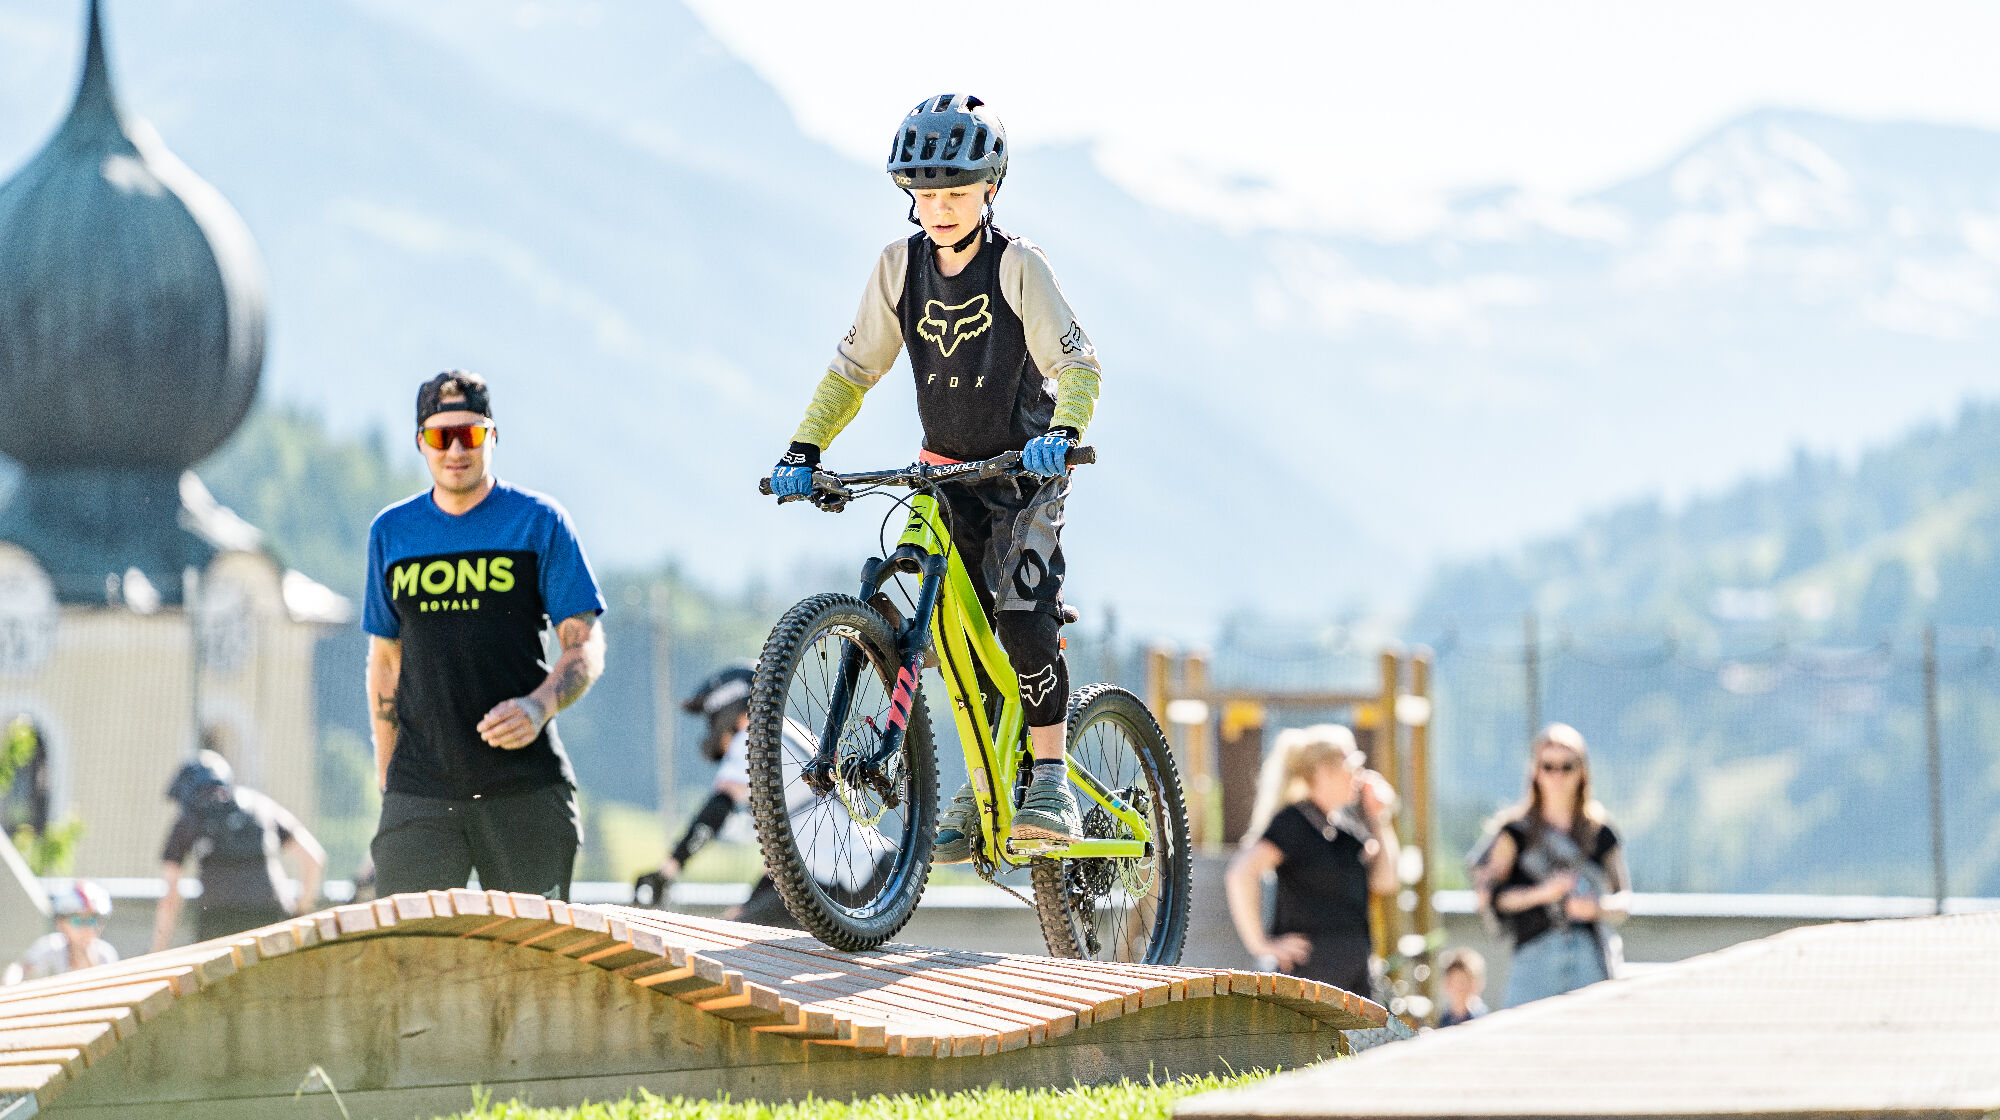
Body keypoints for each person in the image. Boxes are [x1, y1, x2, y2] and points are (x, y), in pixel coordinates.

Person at [768, 93, 1104, 854]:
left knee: (1019, 619)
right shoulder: (898, 267)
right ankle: (982, 783)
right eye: (925, 193)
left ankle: (1049, 780)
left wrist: (1063, 433)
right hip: (943, 476)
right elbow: (853, 371)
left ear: (991, 189)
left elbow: (1078, 363)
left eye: (956, 191)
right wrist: (803, 449)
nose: (940, 207)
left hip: (1025, 475)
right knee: (951, 630)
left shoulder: (1018, 265)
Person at [364, 370, 607, 901]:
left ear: (491, 437)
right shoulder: (391, 533)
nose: (456, 450)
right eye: (440, 436)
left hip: (524, 789)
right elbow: (385, 660)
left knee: (535, 968)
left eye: (469, 434)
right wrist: (390, 779)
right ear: (421, 444)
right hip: (419, 794)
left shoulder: (539, 521)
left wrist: (540, 706)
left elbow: (584, 645)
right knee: (409, 966)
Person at [635, 665, 892, 925]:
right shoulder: (788, 732)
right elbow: (777, 865)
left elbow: (717, 808)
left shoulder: (750, 739)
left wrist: (668, 869)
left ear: (728, 711)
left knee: (736, 942)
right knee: (743, 927)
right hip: (872, 867)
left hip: (839, 879)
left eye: (711, 719)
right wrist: (743, 908)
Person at [1224, 725, 1399, 998]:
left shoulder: (1344, 830)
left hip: (1353, 984)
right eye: (1351, 765)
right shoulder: (1293, 822)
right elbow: (1240, 873)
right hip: (1308, 988)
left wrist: (1379, 817)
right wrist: (1261, 945)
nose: (1359, 775)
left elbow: (1386, 880)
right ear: (1323, 771)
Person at [1481, 722, 1630, 1007]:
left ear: (1582, 771)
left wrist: (1595, 908)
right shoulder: (1515, 831)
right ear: (1535, 772)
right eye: (1548, 766)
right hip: (1534, 955)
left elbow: (1624, 899)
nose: (1557, 775)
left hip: (1589, 955)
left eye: (1567, 766)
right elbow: (1495, 897)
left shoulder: (1601, 831)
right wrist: (1543, 893)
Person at [151, 751, 325, 950]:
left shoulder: (190, 819)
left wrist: (158, 948)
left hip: (218, 925)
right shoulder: (260, 805)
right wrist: (298, 913)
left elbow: (170, 895)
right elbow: (314, 859)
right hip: (271, 921)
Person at [5, 880, 117, 984]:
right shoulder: (52, 947)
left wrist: (91, 960)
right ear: (61, 923)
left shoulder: (105, 955)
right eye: (78, 920)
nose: (86, 928)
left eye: (93, 920)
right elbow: (19, 969)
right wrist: (11, 985)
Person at [1435, 947, 1489, 1027]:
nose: (1458, 989)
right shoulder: (1445, 1019)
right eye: (1454, 982)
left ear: (1474, 985)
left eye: (1463, 983)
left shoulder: (1480, 1017)